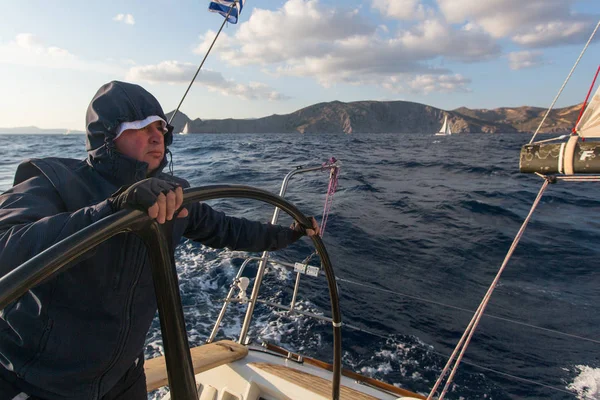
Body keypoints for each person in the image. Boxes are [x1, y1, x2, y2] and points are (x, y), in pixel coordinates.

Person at [0, 81, 319, 400]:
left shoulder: (171, 198)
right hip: (36, 381)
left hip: (122, 381)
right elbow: (6, 246)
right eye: (139, 127)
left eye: (160, 126)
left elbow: (230, 230)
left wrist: (289, 233)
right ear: (107, 136)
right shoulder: (51, 181)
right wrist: (111, 210)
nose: (156, 136)